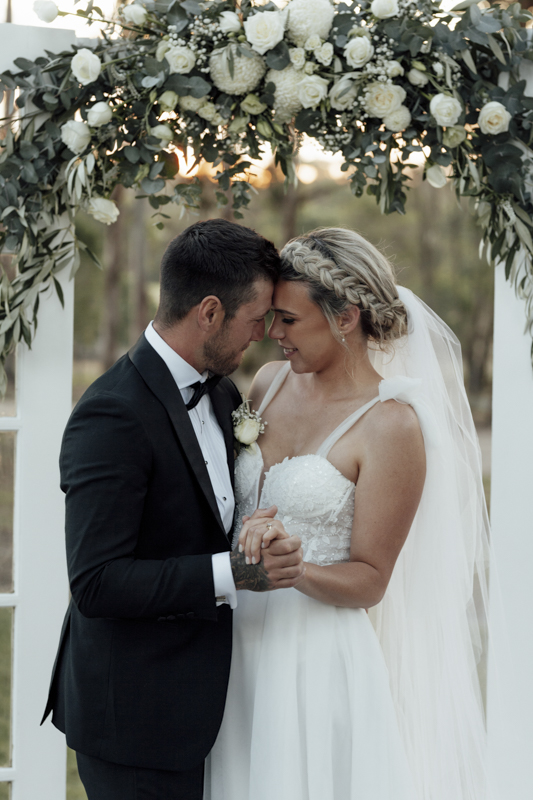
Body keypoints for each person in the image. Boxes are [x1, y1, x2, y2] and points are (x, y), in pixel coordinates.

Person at [205, 228, 491, 800]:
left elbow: (371, 580)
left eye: (289, 320)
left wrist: (295, 568)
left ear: (346, 317)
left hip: (314, 658)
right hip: (234, 643)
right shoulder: (267, 383)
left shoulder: (393, 425)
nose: (272, 334)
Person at [41, 218, 305, 800]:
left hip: (213, 710)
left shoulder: (223, 389)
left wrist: (247, 534)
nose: (262, 334)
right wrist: (232, 573)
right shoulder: (111, 414)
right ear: (209, 312)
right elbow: (97, 581)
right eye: (256, 317)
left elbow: (199, 517)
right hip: (135, 722)